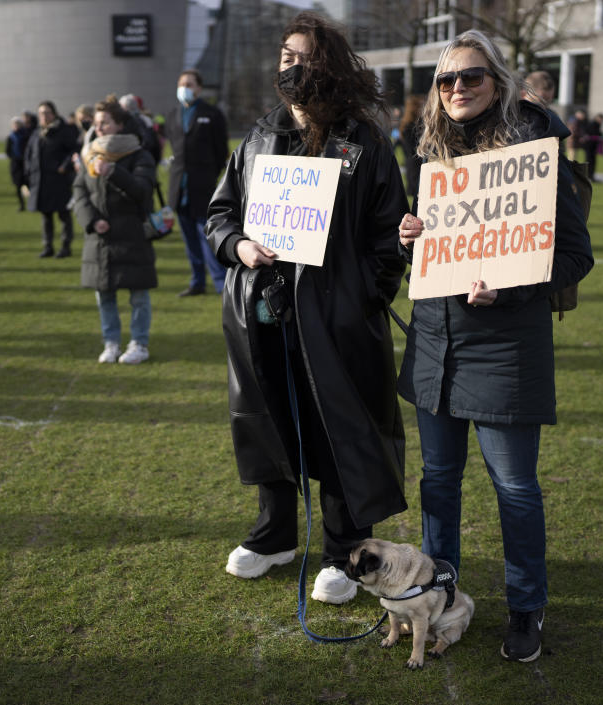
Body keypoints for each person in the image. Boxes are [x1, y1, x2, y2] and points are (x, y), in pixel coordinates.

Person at [395, 29, 593, 662]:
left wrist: (504, 291)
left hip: (506, 344)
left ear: (498, 81)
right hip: (435, 340)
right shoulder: (428, 151)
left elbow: (573, 256)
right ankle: (439, 592)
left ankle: (525, 607)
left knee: (514, 486)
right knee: (439, 481)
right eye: (446, 80)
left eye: (471, 77)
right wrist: (411, 239)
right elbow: (428, 249)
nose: (457, 89)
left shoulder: (534, 147)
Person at [206, 11, 408, 605]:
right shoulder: (260, 135)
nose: (292, 66)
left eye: (305, 57)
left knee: (341, 428)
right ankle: (275, 535)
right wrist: (238, 245)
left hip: (339, 321)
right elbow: (221, 215)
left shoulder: (364, 141)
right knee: (268, 419)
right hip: (263, 314)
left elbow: (387, 235)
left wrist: (363, 296)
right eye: (285, 57)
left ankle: (347, 551)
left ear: (332, 68)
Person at [72, 98, 157, 365]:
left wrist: (114, 172)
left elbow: (143, 192)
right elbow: (79, 191)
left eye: (105, 123)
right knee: (104, 294)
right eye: (96, 124)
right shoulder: (90, 154)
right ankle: (111, 343)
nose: (99, 128)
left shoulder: (139, 154)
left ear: (120, 125)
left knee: (138, 295)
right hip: (100, 239)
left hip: (131, 235)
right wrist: (91, 220)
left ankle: (139, 344)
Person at [166, 69, 229, 297]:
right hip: (179, 186)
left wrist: (212, 175)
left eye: (190, 84)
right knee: (189, 239)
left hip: (203, 186)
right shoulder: (173, 114)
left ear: (199, 88)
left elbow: (221, 149)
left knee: (206, 237)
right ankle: (197, 282)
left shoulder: (211, 113)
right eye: (182, 83)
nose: (185, 88)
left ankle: (222, 284)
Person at [24, 100, 78, 258]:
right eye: (41, 113)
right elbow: (29, 153)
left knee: (63, 214)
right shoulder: (37, 132)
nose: (44, 116)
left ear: (54, 114)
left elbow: (74, 150)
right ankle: (48, 246)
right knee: (46, 215)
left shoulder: (63, 131)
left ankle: (66, 246)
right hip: (41, 181)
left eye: (47, 112)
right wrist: (28, 173)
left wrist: (64, 166)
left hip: (58, 180)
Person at [398, 94, 425, 197]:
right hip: (414, 161)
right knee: (416, 191)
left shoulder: (410, 125)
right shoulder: (410, 126)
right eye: (420, 106)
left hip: (414, 160)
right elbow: (412, 147)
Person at [5, 117, 30, 210]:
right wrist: (14, 157)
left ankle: (31, 202)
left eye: (17, 124)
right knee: (18, 185)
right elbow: (7, 151)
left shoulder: (25, 135)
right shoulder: (11, 137)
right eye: (14, 125)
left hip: (25, 163)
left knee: (28, 183)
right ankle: (22, 205)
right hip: (15, 164)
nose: (15, 126)